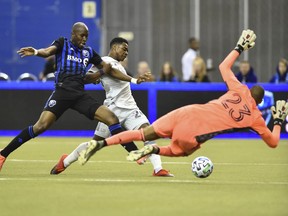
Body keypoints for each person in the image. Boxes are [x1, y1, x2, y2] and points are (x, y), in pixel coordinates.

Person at [77, 30, 288, 165]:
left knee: (142, 134)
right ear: (260, 102)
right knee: (183, 151)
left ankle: (102, 144)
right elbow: (273, 142)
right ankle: (155, 150)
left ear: (248, 90)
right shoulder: (255, 116)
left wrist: (239, 48)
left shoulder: (238, 88)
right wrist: (277, 122)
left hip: (187, 111)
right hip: (196, 132)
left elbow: (224, 66)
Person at [0, 22, 148, 171]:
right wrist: (37, 52)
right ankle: (3, 155)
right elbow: (47, 51)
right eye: (82, 35)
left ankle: (135, 153)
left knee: (112, 119)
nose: (84, 39)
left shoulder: (88, 52)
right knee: (40, 127)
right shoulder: (62, 43)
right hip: (62, 93)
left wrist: (130, 79)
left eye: (87, 36)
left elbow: (108, 68)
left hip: (79, 95)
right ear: (73, 34)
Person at [50, 37, 173, 177]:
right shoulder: (104, 61)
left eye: (127, 50)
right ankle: (65, 162)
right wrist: (98, 76)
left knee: (148, 131)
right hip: (112, 111)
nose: (126, 53)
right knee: (94, 145)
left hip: (131, 109)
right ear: (114, 47)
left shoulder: (119, 66)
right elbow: (86, 77)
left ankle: (158, 169)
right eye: (124, 49)